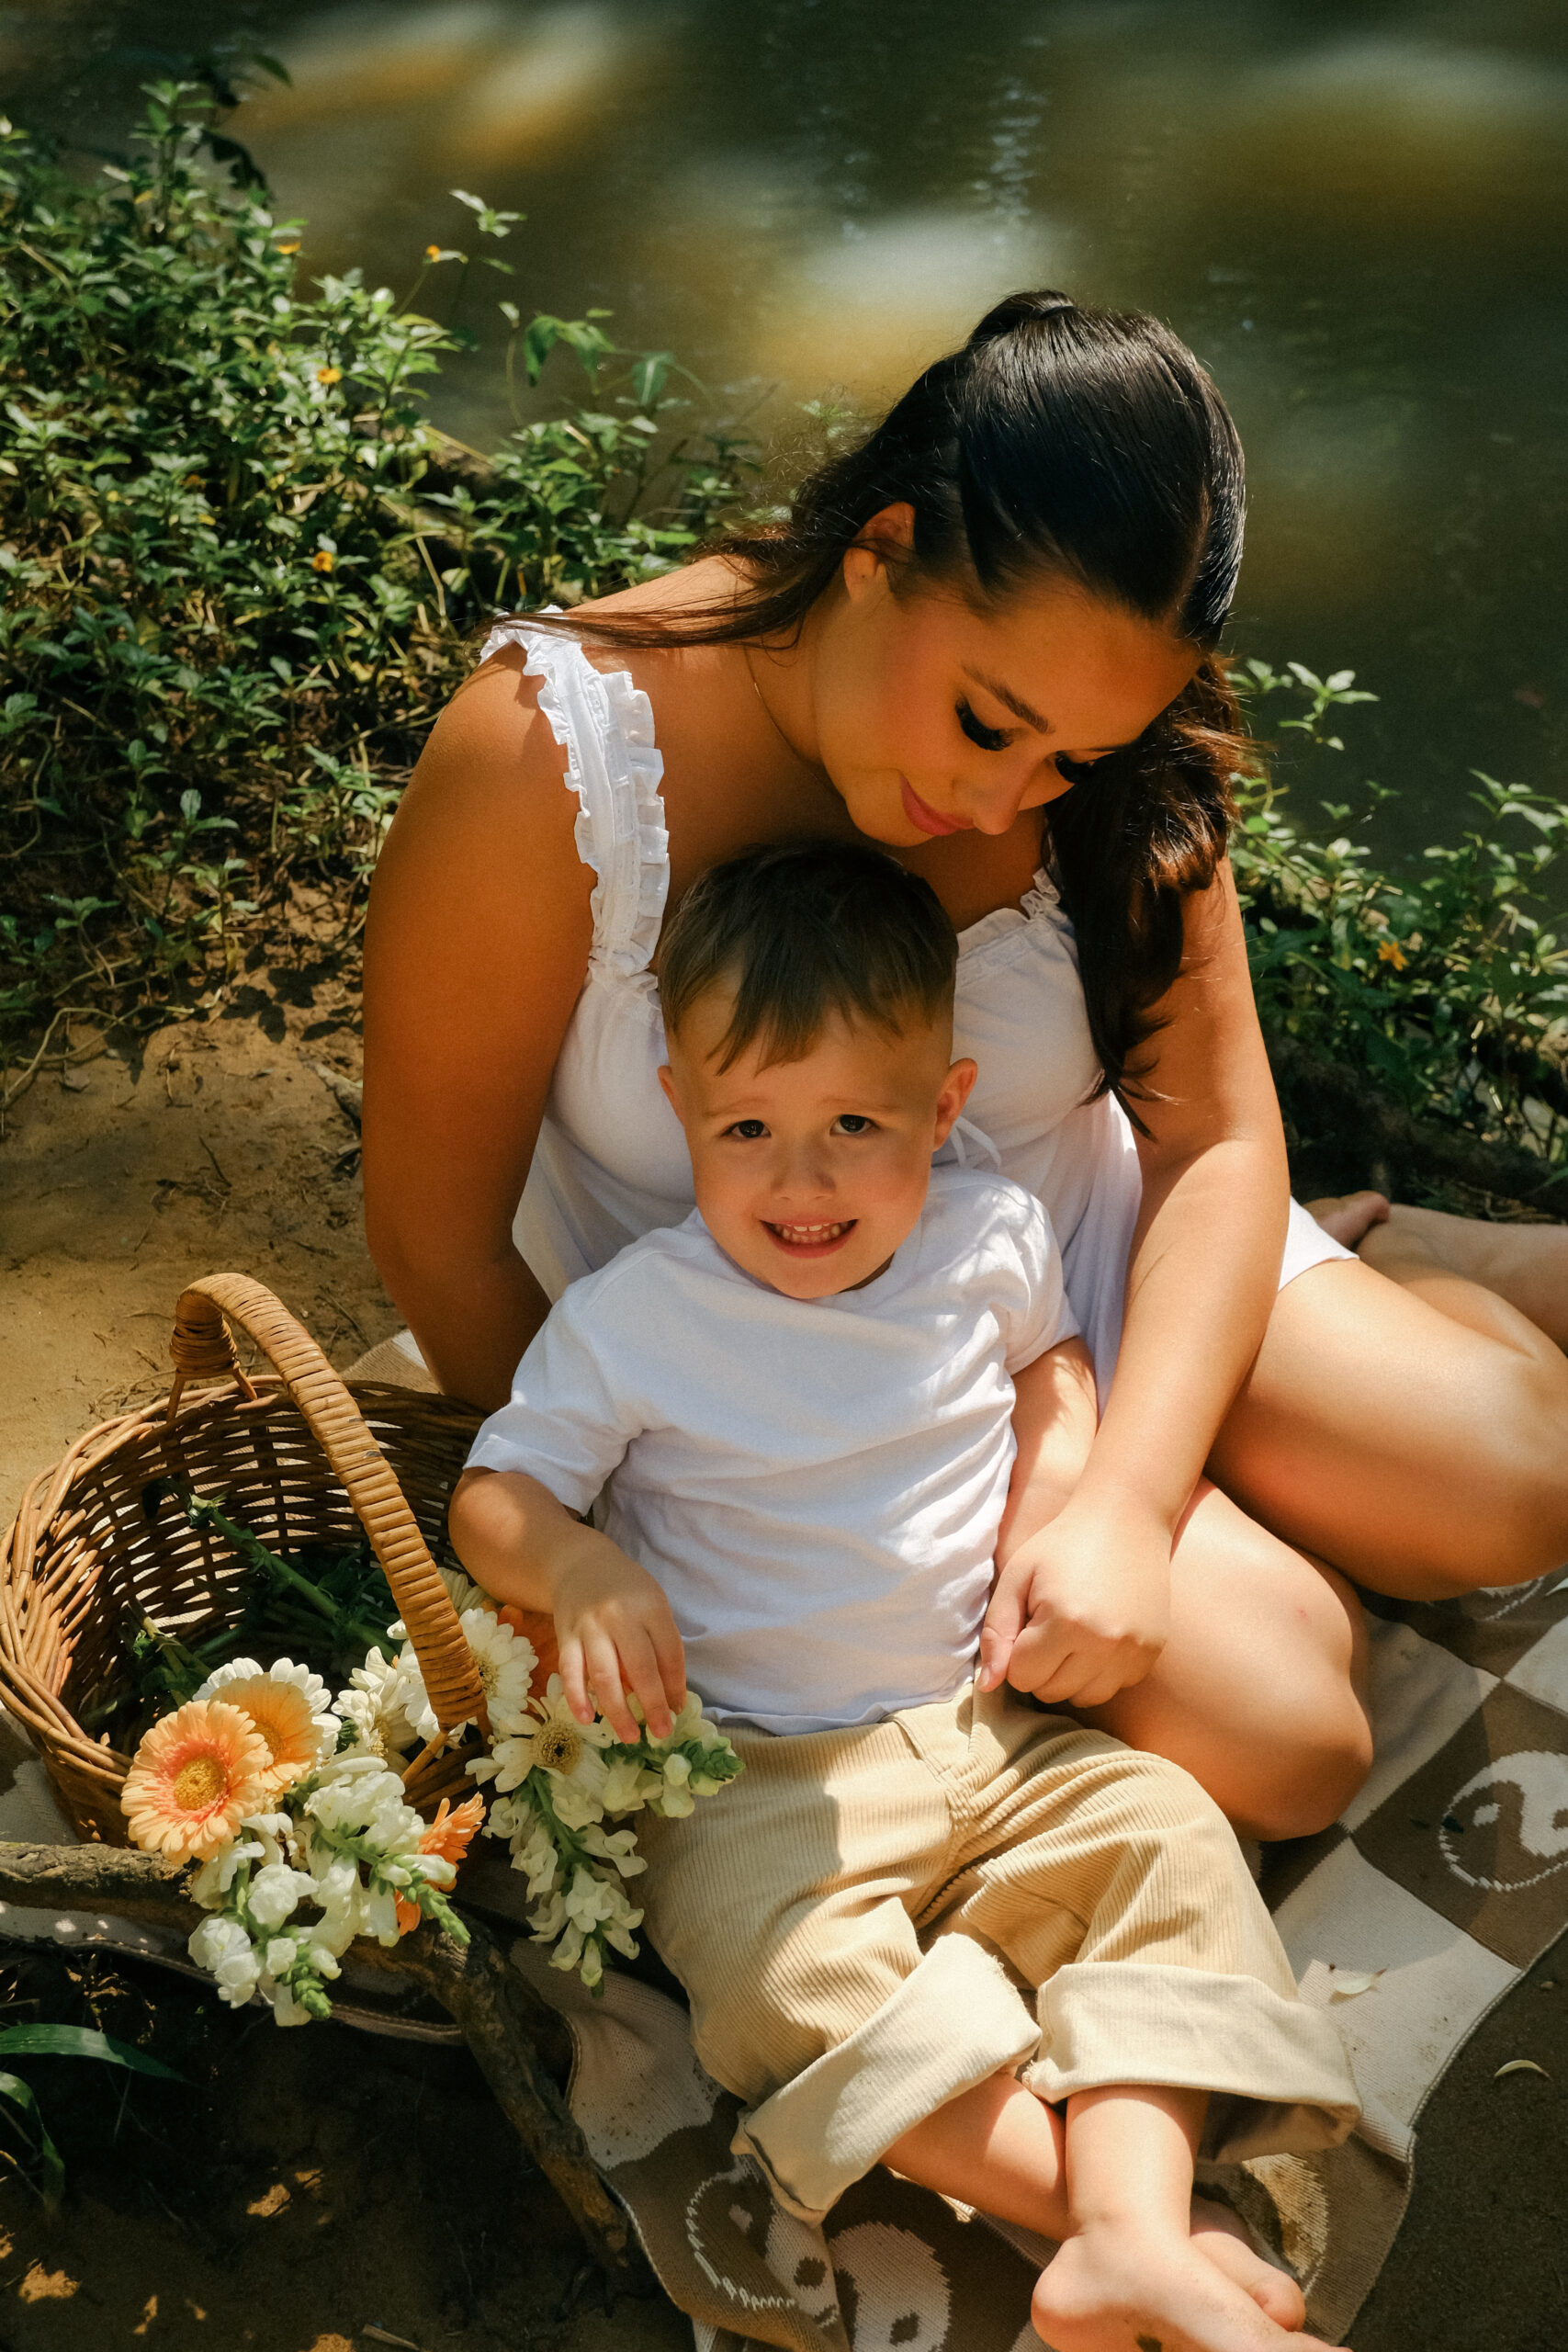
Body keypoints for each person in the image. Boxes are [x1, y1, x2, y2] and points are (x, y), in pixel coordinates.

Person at [362, 288, 1568, 1841]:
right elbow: (439, 1235)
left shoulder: (1104, 724)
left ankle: (1373, 1268)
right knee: (1292, 1734)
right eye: (989, 724)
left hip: (1076, 1249)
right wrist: (629, 1527)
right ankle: (1316, 1401)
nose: (1005, 804)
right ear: (882, 550)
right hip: (754, 1354)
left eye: (1070, 762)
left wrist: (1121, 1502)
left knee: (1519, 1485)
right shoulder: (545, 760)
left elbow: (1210, 1139)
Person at [449, 842, 1359, 2352]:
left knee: (1171, 1837)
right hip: (756, 1781)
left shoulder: (986, 1238)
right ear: (679, 1108)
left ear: (945, 1110)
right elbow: (494, 1492)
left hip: (987, 1729)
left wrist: (1052, 1503)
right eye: (748, 1128)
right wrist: (579, 1563)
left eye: (856, 1127)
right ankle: (1129, 2221)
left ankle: (1129, 2233)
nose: (801, 1183)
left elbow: (1053, 1369)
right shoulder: (636, 1319)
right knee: (780, 1983)